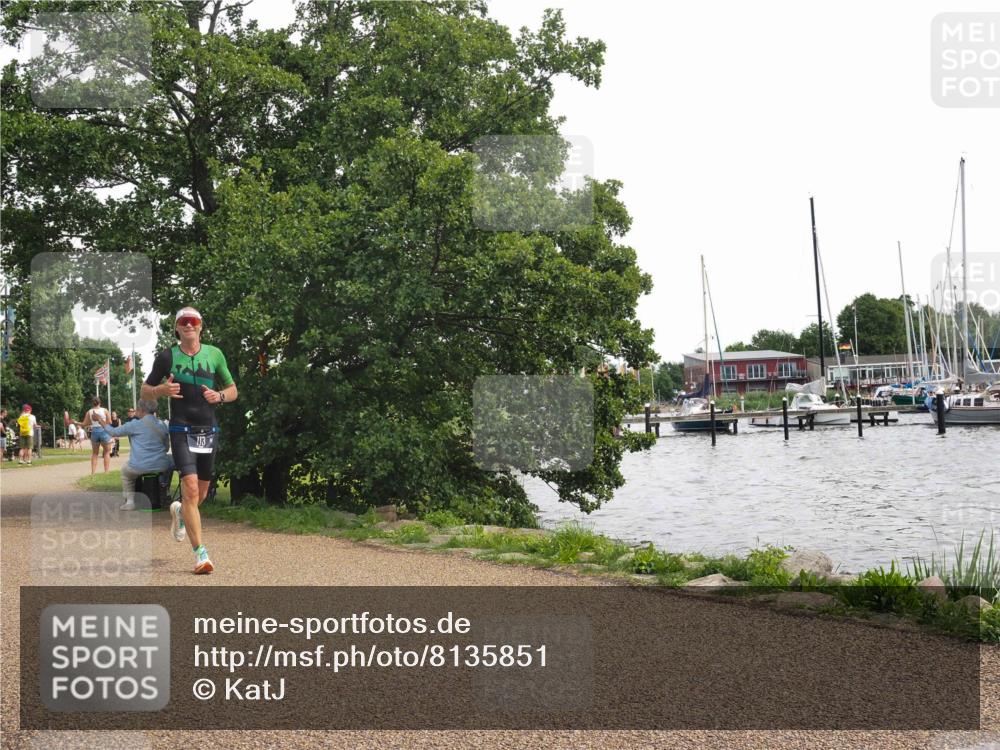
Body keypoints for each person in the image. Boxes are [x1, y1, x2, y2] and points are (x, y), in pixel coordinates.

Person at [141, 307, 237, 575]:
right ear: (177, 328)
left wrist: (219, 396)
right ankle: (201, 554)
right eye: (184, 322)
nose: (189, 325)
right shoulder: (167, 356)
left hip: (208, 429)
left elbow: (233, 390)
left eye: (194, 321)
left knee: (201, 494)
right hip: (181, 428)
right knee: (191, 489)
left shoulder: (214, 354)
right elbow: (145, 390)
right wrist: (160, 390)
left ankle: (181, 513)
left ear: (201, 326)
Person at [93, 399, 173, 510]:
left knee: (126, 473)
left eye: (136, 409)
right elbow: (166, 448)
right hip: (161, 465)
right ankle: (165, 492)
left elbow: (114, 432)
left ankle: (130, 502)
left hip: (139, 466)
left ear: (142, 410)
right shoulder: (162, 425)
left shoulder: (134, 424)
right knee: (171, 462)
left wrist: (100, 421)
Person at [79, 397, 112, 474]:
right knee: (107, 452)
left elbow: (85, 424)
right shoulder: (105, 410)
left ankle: (93, 472)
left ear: (92, 403)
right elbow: (110, 422)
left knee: (95, 453)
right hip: (104, 431)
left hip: (94, 432)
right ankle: (106, 472)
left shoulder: (89, 412)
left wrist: (76, 422)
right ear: (100, 403)